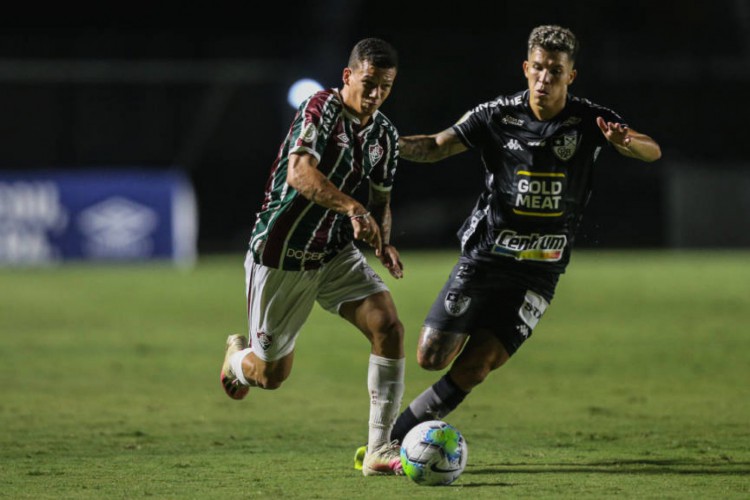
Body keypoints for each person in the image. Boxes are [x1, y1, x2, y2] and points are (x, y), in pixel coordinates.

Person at [354, 24, 662, 465]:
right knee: (430, 355)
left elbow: (652, 150)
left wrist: (626, 142)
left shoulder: (589, 120)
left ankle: (392, 442)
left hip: (539, 272)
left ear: (571, 75)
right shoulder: (496, 114)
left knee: (476, 367)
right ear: (526, 68)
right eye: (537, 68)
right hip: (484, 260)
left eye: (555, 70)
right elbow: (439, 145)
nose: (544, 78)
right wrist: (386, 143)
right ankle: (400, 440)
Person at [219, 37, 407, 476]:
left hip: (334, 252)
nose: (376, 94)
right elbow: (300, 173)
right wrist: (352, 208)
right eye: (368, 83)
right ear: (348, 77)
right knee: (272, 376)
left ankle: (380, 447)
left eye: (386, 86)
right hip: (282, 254)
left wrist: (384, 243)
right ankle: (234, 360)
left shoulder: (385, 135)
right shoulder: (320, 108)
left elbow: (381, 201)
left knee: (389, 326)